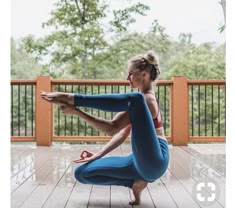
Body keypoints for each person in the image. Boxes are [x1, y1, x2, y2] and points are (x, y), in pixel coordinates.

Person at [41, 51, 169, 205]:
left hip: (155, 160)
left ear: (144, 74)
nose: (127, 78)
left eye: (130, 73)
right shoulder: (138, 106)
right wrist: (97, 154)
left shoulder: (146, 100)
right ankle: (135, 182)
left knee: (136, 99)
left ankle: (74, 97)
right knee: (82, 173)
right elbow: (113, 129)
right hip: (139, 165)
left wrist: (74, 101)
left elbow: (117, 124)